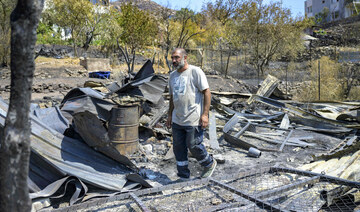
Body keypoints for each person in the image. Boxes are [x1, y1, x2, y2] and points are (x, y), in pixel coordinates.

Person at [166, 48, 216, 179]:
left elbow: (207, 92)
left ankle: (209, 163)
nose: (174, 61)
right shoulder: (172, 76)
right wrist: (170, 115)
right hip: (177, 119)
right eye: (172, 58)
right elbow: (172, 97)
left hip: (193, 118)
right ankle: (183, 175)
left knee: (194, 145)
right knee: (178, 148)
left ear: (185, 58)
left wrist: (205, 115)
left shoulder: (195, 72)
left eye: (176, 57)